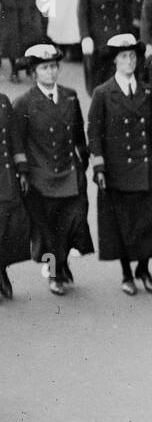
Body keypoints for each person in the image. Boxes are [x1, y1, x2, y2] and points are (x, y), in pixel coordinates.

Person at [87, 33, 152, 295]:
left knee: (148, 222)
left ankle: (145, 270)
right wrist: (99, 167)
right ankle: (127, 273)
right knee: (123, 224)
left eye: (133, 56)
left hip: (145, 166)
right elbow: (94, 133)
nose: (129, 61)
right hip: (117, 169)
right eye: (124, 56)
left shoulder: (147, 90)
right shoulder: (103, 93)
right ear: (115, 60)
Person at [12, 42, 94, 296]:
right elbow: (19, 142)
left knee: (74, 220)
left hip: (69, 171)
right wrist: (23, 172)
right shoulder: (24, 103)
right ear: (34, 73)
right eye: (45, 68)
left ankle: (62, 262)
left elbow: (79, 134)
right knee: (48, 230)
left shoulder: (69, 95)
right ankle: (54, 273)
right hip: (41, 175)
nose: (51, 72)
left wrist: (84, 160)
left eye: (54, 67)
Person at [0, 86, 30, 300]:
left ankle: (1, 268)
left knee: (11, 227)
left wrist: (22, 170)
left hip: (6, 175)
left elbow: (14, 138)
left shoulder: (3, 101)